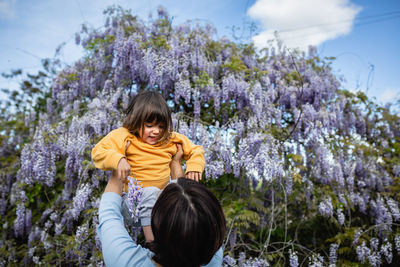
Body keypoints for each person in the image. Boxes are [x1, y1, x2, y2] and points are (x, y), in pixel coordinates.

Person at [92, 91, 205, 241]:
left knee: (182, 191)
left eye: (161, 126)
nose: (156, 131)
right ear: (134, 120)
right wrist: (118, 159)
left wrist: (194, 166)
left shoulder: (170, 139)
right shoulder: (124, 135)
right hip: (133, 204)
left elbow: (196, 150)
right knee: (151, 192)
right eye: (150, 125)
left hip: (161, 203)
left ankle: (182, 241)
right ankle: (154, 245)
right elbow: (98, 152)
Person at [97, 152, 226, 267]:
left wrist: (118, 157)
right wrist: (175, 164)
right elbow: (187, 212)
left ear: (157, 224)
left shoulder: (126, 261)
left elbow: (109, 212)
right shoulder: (214, 256)